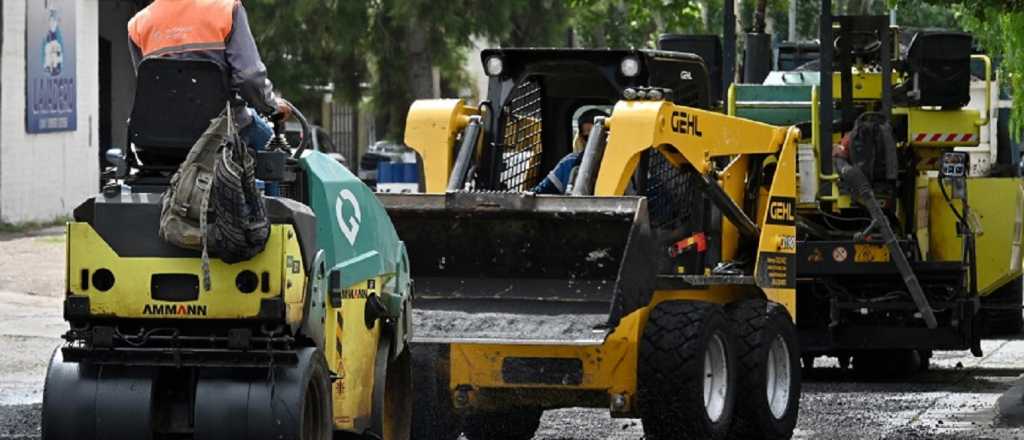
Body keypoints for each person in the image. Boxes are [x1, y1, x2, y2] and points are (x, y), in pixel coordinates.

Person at [127, 0, 289, 151]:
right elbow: (249, 78)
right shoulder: (226, 9)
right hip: (224, 133)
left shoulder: (138, 25)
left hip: (163, 136)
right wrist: (271, 107)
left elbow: (148, 90)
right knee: (275, 152)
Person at [531, 109, 608, 194]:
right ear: (581, 139)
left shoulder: (620, 165)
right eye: (587, 137)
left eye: (600, 136)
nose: (594, 143)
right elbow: (541, 192)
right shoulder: (570, 162)